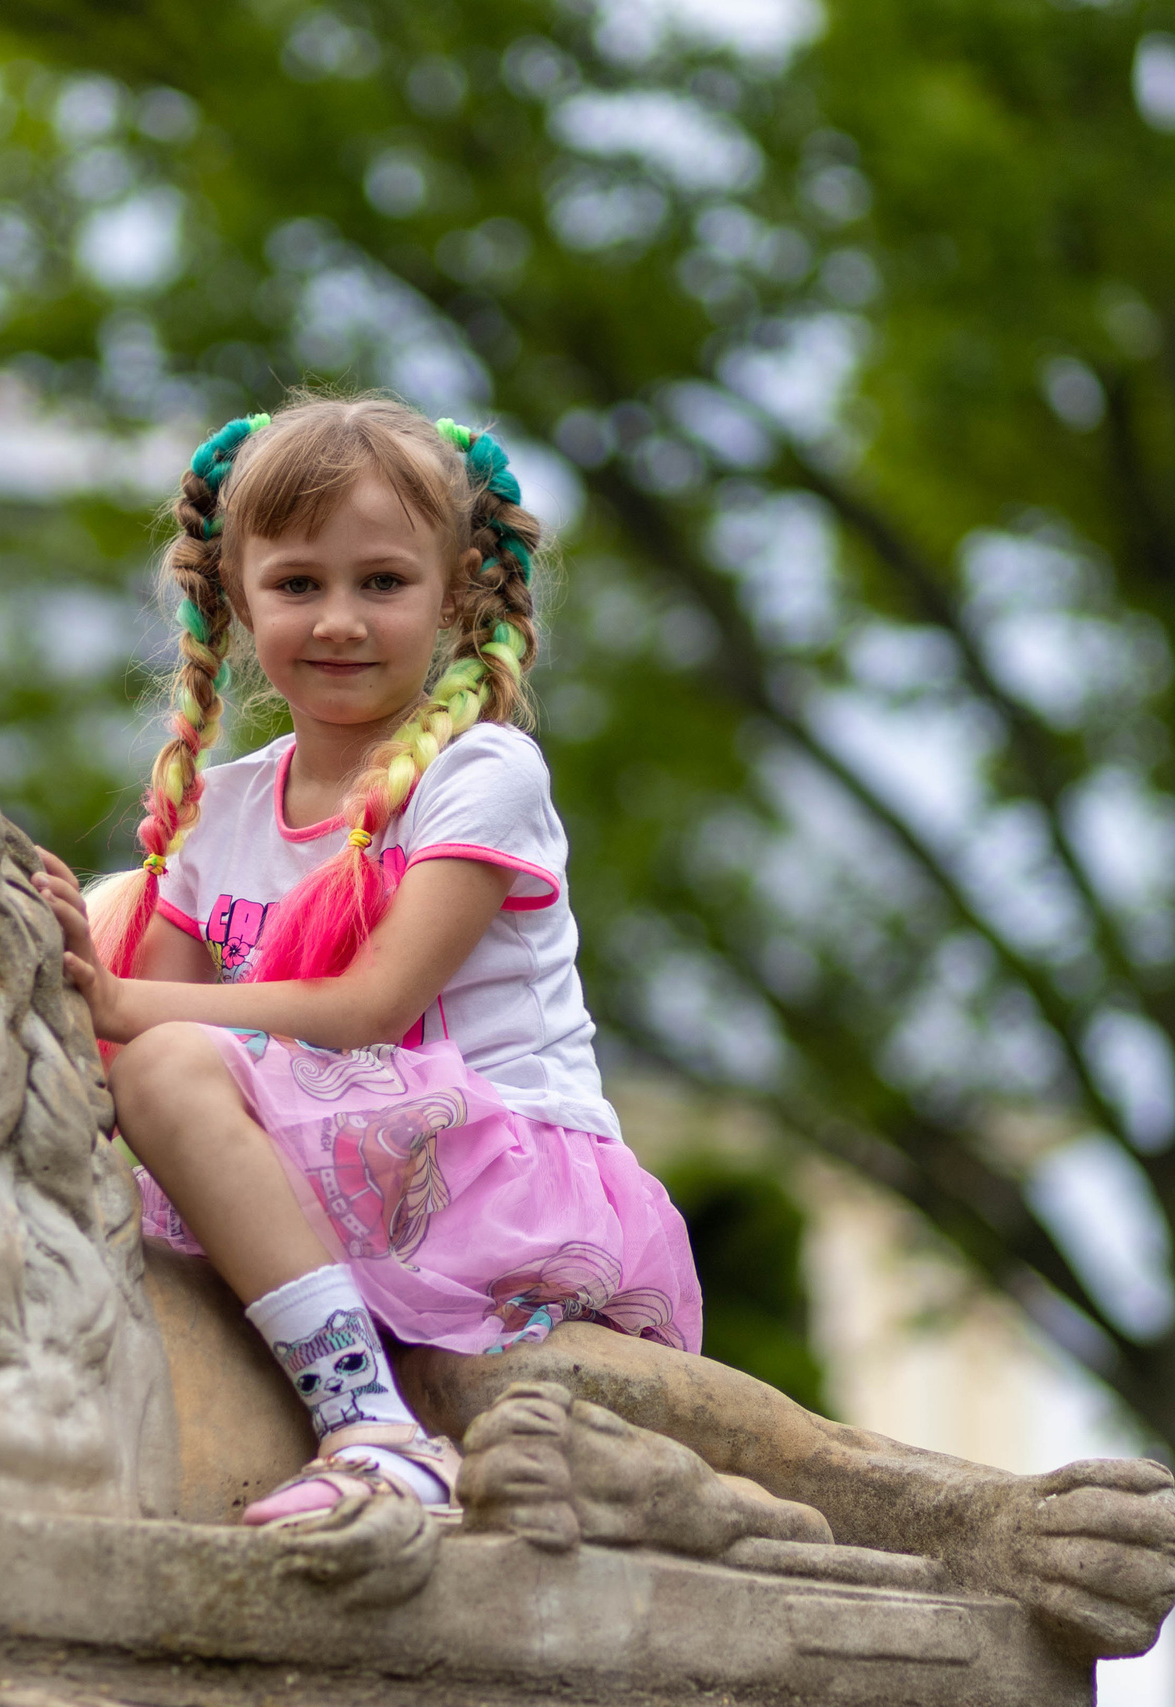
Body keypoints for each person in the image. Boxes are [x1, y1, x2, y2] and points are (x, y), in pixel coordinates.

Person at [35, 394, 701, 1529]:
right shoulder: (224, 808)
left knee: (160, 1064)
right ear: (237, 602)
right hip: (323, 1145)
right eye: (298, 584)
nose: (338, 619)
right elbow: (158, 1036)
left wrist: (119, 997)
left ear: (452, 598)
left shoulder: (481, 773)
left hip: (489, 1168)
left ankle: (367, 1423)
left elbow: (368, 1005)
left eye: (381, 583)